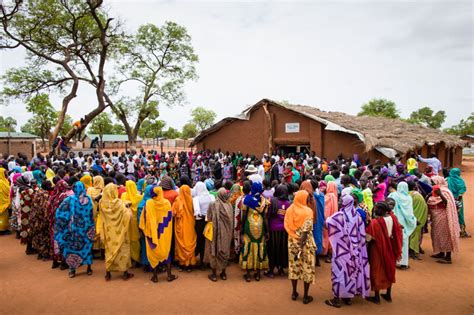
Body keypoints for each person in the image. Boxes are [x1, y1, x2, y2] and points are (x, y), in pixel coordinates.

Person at [325, 194, 370, 308]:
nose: (340, 202)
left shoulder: (339, 216)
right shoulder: (357, 216)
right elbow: (362, 234)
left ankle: (336, 299)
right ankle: (348, 298)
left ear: (346, 203)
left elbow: (327, 224)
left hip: (341, 250)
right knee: (351, 272)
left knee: (339, 272)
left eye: (341, 200)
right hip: (354, 251)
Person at [54, 182, 95, 278]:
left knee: (72, 249)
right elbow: (91, 214)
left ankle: (72, 270)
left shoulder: (69, 200)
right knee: (87, 248)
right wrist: (92, 227)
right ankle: (88, 268)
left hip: (74, 230)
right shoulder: (88, 199)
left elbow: (59, 212)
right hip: (86, 230)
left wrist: (64, 223)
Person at [365, 202, 403, 304]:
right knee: (389, 269)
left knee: (376, 270)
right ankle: (388, 294)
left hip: (377, 249)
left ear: (381, 210)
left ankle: (376, 297)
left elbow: (368, 238)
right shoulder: (393, 218)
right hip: (390, 247)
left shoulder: (375, 222)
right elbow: (398, 231)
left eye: (376, 208)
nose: (374, 210)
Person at [139, 186, 178, 283]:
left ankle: (155, 277)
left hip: (152, 234)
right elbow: (169, 219)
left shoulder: (148, 204)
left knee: (153, 254)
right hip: (164, 232)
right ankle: (169, 275)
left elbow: (143, 219)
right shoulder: (166, 203)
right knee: (166, 251)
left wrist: (145, 229)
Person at [284, 190, 317, 305]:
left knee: (294, 266)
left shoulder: (289, 209)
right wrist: (301, 244)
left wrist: (296, 241)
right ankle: (306, 296)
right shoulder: (308, 211)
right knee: (306, 267)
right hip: (305, 243)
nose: (308, 200)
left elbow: (287, 225)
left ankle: (294, 292)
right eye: (307, 198)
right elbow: (306, 231)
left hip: (292, 241)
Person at [99, 183, 134, 281]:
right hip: (120, 231)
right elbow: (127, 216)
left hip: (109, 231)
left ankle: (108, 274)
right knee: (123, 251)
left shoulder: (102, 203)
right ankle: (125, 273)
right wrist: (128, 209)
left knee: (109, 251)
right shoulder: (118, 203)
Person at [240, 182, 269, 282]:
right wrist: (267, 231)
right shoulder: (263, 200)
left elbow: (244, 216)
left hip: (249, 225)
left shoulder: (247, 199)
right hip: (260, 226)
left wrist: (242, 228)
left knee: (248, 246)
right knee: (259, 246)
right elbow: (265, 218)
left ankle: (248, 275)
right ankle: (257, 274)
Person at [428, 176, 460, 264]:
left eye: (433, 182)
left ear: (438, 182)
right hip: (436, 217)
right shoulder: (436, 189)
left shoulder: (444, 191)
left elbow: (447, 203)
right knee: (437, 234)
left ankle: (448, 257)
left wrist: (440, 194)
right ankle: (441, 253)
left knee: (445, 235)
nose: (432, 184)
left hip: (444, 217)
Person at [205, 188, 234, 282]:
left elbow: (208, 217)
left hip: (215, 232)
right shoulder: (229, 205)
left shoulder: (213, 204)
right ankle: (223, 273)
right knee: (224, 251)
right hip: (227, 233)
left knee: (214, 250)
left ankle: (213, 274)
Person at [388, 182, 417, 269]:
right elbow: (409, 213)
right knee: (404, 241)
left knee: (392, 240)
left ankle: (392, 261)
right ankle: (403, 263)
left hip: (393, 220)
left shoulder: (393, 195)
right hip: (404, 222)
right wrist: (413, 220)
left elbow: (387, 205)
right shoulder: (409, 198)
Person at [266, 184, 290, 278]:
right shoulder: (288, 203)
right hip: (284, 230)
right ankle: (281, 270)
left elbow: (267, 215)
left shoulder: (272, 201)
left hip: (273, 229)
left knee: (272, 249)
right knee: (282, 249)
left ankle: (271, 271)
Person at [172, 184, 197, 270]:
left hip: (181, 226)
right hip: (190, 225)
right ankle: (190, 262)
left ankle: (182, 263)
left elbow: (173, 213)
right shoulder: (192, 200)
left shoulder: (178, 201)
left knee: (181, 243)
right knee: (190, 242)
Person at [193, 181, 215, 267]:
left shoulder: (196, 199)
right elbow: (214, 209)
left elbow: (197, 212)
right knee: (210, 241)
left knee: (201, 241)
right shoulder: (212, 196)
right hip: (210, 222)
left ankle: (202, 261)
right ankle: (210, 261)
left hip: (200, 222)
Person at [121, 180, 142, 265]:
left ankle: (130, 258)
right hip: (135, 221)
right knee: (136, 239)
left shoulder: (123, 195)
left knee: (127, 239)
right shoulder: (139, 197)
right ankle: (137, 259)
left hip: (126, 221)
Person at [30, 181, 52, 260]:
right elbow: (45, 208)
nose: (51, 186)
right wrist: (47, 219)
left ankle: (40, 252)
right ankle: (45, 254)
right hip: (41, 218)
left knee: (38, 235)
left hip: (35, 218)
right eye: (49, 185)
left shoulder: (38, 192)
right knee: (44, 235)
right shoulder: (45, 194)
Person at [407, 181, 428, 259]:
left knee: (412, 234)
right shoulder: (417, 194)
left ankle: (412, 251)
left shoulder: (407, 195)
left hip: (412, 217)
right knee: (416, 234)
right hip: (419, 216)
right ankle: (413, 250)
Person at [447, 168, 469, 238]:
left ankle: (450, 230)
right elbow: (462, 191)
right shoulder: (461, 181)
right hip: (458, 200)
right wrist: (458, 200)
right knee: (460, 214)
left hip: (448, 199)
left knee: (449, 213)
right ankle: (461, 231)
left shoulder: (447, 179)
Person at [322, 181, 338, 259]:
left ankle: (324, 252)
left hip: (327, 219)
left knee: (325, 234)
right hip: (334, 220)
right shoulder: (335, 197)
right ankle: (329, 251)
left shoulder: (328, 196)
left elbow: (325, 208)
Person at [0, 167, 10, 234]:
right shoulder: (0, 182)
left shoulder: (5, 180)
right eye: (4, 172)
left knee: (5, 216)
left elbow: (8, 190)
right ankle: (2, 230)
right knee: (2, 217)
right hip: (2, 201)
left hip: (5, 201)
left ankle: (3, 228)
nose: (6, 173)